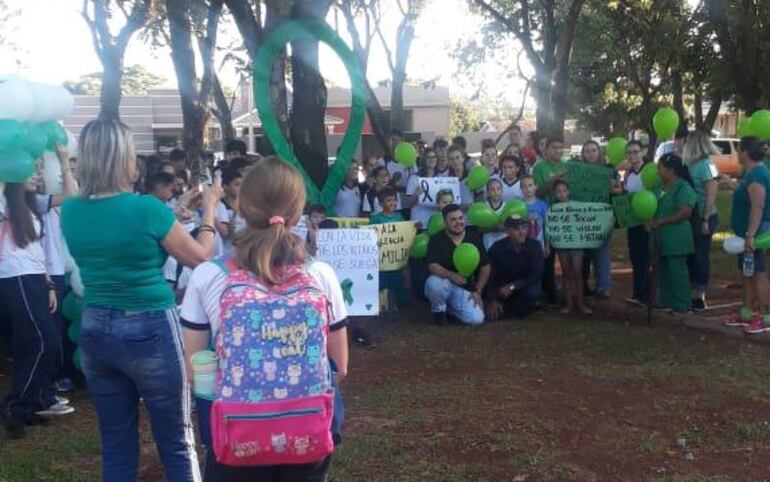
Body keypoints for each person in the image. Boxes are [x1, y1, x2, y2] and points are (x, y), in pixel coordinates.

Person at [61, 119, 221, 482]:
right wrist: (209, 209)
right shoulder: (147, 208)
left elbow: (116, 235)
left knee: (116, 444)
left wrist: (174, 211)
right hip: (148, 325)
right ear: (123, 160)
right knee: (177, 441)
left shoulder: (71, 210)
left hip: (96, 327)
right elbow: (200, 257)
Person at [180, 157, 349, 481]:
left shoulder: (208, 277)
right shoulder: (321, 275)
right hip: (307, 431)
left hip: (237, 435)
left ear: (241, 206)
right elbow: (339, 367)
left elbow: (196, 374)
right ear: (297, 212)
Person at [0, 170, 64, 438]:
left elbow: (36, 249)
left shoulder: (29, 204)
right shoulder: (4, 201)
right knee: (44, 340)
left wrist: (48, 284)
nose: (39, 173)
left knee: (32, 344)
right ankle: (15, 404)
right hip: (16, 278)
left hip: (35, 277)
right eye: (32, 168)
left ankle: (26, 406)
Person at [37, 146, 79, 394]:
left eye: (44, 168)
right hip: (36, 272)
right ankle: (47, 382)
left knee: (57, 328)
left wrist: (63, 161)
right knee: (46, 331)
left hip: (57, 268)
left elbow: (71, 196)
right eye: (37, 168)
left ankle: (58, 376)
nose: (40, 174)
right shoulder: (27, 199)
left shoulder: (50, 200)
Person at [724, 137, 770, 333]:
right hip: (748, 233)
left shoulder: (758, 175)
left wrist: (751, 235)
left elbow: (757, 207)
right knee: (748, 273)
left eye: (739, 149)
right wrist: (732, 185)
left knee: (759, 274)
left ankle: (766, 317)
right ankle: (746, 313)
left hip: (756, 233)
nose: (737, 153)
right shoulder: (752, 174)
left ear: (745, 152)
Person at [646, 153, 697, 315]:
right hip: (659, 237)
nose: (657, 172)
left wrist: (662, 221)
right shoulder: (658, 187)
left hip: (677, 237)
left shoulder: (683, 187)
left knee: (677, 271)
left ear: (671, 170)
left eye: (660, 168)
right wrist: (647, 221)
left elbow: (685, 213)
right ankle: (667, 301)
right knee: (661, 270)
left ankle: (682, 305)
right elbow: (647, 206)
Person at [425, 204, 490, 326]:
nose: (458, 222)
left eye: (460, 218)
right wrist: (451, 275)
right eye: (453, 219)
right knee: (433, 284)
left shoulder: (474, 237)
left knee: (477, 319)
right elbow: (432, 266)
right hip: (445, 283)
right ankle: (438, 310)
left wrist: (478, 290)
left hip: (466, 288)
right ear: (445, 223)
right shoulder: (436, 240)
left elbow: (485, 266)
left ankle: (448, 309)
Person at [683, 131, 720, 311]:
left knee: (700, 255)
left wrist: (705, 219)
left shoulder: (707, 165)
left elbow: (712, 194)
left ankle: (700, 294)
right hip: (691, 216)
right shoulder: (689, 164)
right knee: (691, 254)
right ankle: (691, 291)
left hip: (704, 217)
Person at [485, 215, 544, 320]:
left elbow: (536, 274)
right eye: (516, 229)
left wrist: (513, 286)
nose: (522, 232)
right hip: (502, 287)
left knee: (532, 292)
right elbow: (490, 275)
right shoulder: (496, 248)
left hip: (523, 285)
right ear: (507, 231)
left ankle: (508, 308)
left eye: (524, 228)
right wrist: (492, 299)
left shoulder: (535, 246)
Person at [579, 139, 618, 299]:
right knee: (583, 254)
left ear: (599, 152)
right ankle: (582, 287)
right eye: (587, 150)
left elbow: (618, 191)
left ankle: (603, 287)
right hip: (582, 217)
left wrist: (612, 187)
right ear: (582, 154)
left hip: (603, 216)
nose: (590, 153)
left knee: (601, 253)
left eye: (593, 150)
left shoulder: (609, 170)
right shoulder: (577, 171)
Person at [532, 138, 565, 306]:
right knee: (548, 257)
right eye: (554, 148)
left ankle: (571, 293)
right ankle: (548, 293)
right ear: (547, 150)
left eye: (561, 147)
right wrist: (554, 180)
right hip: (546, 217)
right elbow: (536, 192)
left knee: (568, 257)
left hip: (565, 218)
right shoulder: (539, 168)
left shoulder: (568, 166)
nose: (558, 151)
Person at [551, 180, 591, 314]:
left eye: (564, 191)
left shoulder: (577, 206)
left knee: (578, 273)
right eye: (558, 192)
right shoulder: (553, 210)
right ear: (555, 194)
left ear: (568, 192)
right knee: (566, 273)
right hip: (562, 245)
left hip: (577, 244)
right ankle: (569, 304)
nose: (562, 194)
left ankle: (580, 304)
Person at [370, 188, 406, 317]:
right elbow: (371, 235)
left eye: (394, 200)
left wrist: (414, 227)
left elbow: (404, 233)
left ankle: (392, 310)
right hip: (381, 259)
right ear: (380, 203)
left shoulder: (399, 217)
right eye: (389, 200)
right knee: (379, 284)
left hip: (395, 260)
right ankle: (375, 309)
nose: (392, 203)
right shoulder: (375, 218)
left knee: (393, 286)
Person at [623, 141, 650, 307]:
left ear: (643, 152)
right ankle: (638, 293)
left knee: (645, 258)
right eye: (629, 153)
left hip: (647, 222)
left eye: (635, 152)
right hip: (632, 222)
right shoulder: (628, 174)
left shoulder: (649, 171)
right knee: (636, 257)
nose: (632, 155)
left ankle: (645, 294)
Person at [214, 167, 245, 258]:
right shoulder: (220, 207)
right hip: (227, 251)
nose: (240, 188)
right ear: (225, 187)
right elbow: (225, 233)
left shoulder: (247, 205)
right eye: (237, 184)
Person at [405, 147, 438, 229]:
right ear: (424, 159)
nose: (431, 160)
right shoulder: (414, 178)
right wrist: (417, 195)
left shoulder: (441, 178)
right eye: (429, 157)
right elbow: (408, 203)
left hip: (436, 223)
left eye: (434, 157)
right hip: (419, 223)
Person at [521, 175, 549, 256]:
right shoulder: (518, 205)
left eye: (530, 185)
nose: (527, 189)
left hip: (539, 244)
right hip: (522, 245)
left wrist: (547, 245)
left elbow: (547, 227)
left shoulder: (542, 205)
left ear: (535, 186)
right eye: (524, 186)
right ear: (521, 189)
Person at [482, 178, 506, 250]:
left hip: (503, 242)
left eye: (498, 189)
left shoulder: (506, 207)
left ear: (502, 191)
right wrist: (493, 228)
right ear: (488, 192)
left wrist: (503, 227)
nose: (496, 192)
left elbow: (509, 226)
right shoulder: (484, 207)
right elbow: (480, 228)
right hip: (488, 243)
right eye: (492, 189)